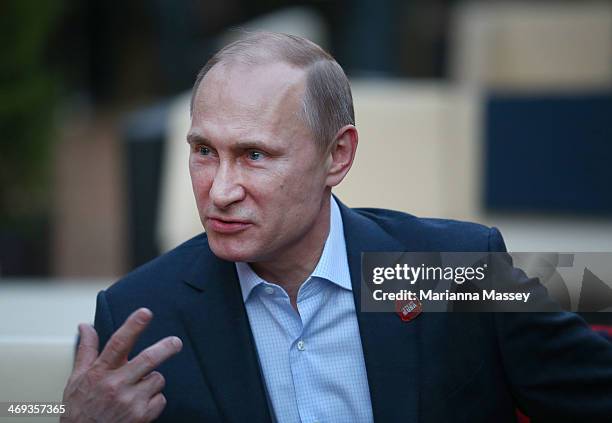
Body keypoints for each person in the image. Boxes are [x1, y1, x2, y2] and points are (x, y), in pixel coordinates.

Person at [61, 32, 612, 422]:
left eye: (254, 155)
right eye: (205, 151)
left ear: (337, 156)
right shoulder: (139, 315)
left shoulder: (449, 270)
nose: (220, 190)